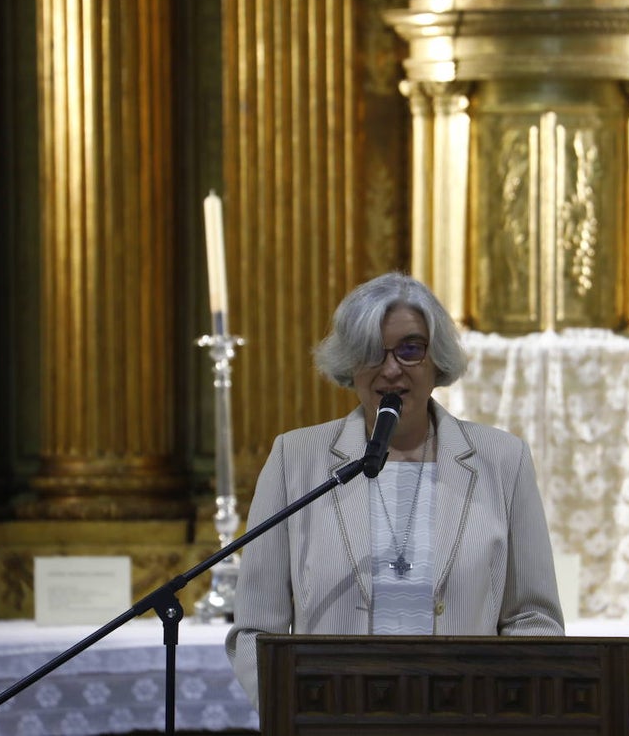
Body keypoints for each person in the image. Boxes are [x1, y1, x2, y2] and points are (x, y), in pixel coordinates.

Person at [225, 272, 564, 709]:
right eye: (371, 351)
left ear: (437, 359)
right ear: (349, 363)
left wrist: (497, 710)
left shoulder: (502, 459)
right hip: (334, 724)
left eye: (410, 349)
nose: (390, 369)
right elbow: (255, 630)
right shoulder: (296, 458)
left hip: (464, 721)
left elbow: (534, 619)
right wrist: (300, 711)